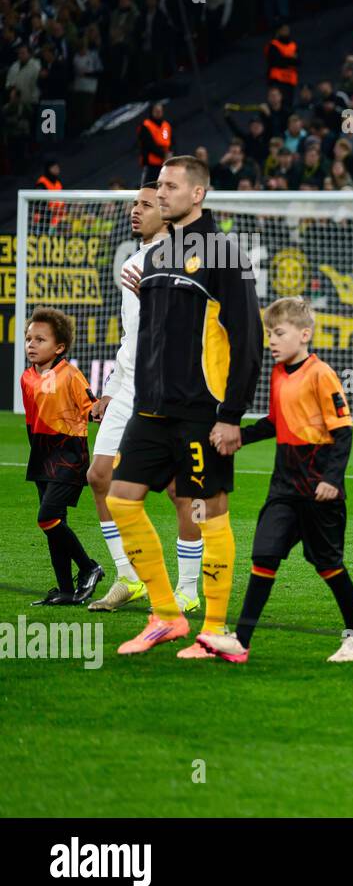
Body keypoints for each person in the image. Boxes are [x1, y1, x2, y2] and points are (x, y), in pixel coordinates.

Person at [108, 155, 263, 655]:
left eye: (171, 186)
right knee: (119, 498)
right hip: (151, 411)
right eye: (158, 186)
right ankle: (165, 614)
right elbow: (151, 338)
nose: (161, 194)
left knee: (206, 510)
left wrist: (231, 414)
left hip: (202, 411)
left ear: (198, 194)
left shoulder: (223, 251)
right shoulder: (154, 257)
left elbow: (248, 337)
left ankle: (216, 630)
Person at [197, 298, 353, 662]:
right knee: (264, 554)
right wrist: (239, 437)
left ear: (304, 334)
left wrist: (332, 479)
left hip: (319, 486)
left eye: (279, 333)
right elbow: (275, 423)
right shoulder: (277, 373)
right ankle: (241, 642)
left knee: (328, 564)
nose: (272, 341)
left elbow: (344, 431)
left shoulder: (322, 374)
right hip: (285, 483)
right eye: (269, 334)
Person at [87, 184, 205, 614]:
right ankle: (129, 576)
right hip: (130, 388)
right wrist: (113, 390)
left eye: (146, 205)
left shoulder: (186, 259)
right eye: (134, 205)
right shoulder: (132, 263)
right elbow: (130, 338)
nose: (135, 211)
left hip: (170, 390)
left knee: (179, 490)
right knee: (99, 476)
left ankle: (189, 588)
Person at [23, 307, 103, 606]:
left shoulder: (70, 374)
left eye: (40, 340)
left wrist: (100, 412)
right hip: (41, 456)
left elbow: (92, 408)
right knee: (55, 523)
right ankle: (66, 590)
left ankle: (89, 567)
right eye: (29, 338)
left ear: (59, 347)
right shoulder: (26, 378)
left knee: (47, 518)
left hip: (69, 456)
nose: (32, 344)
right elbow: (32, 422)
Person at [136, 102, 171, 183]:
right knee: (149, 186)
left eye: (160, 111)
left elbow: (172, 142)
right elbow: (149, 145)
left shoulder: (166, 125)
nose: (158, 113)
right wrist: (164, 154)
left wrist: (170, 154)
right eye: (156, 111)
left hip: (165, 164)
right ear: (152, 112)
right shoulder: (145, 125)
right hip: (151, 165)